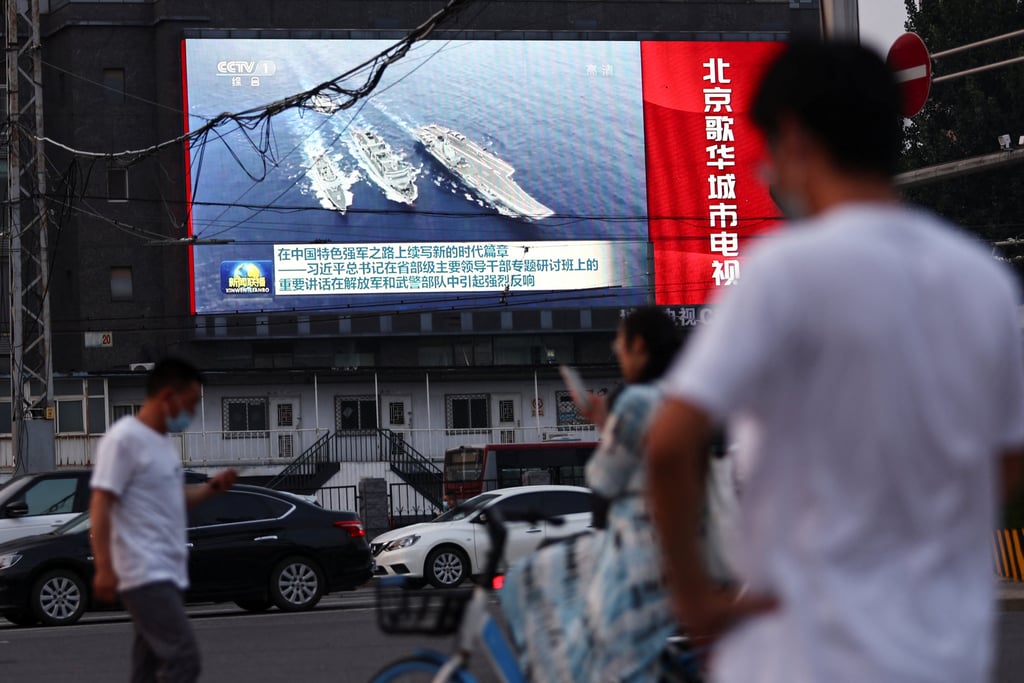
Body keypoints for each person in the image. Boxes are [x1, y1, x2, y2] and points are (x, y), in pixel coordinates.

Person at [645, 40, 1024, 683]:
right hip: (942, 656)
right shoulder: (980, 280)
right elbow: (1009, 456)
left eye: (766, 151)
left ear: (794, 136)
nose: (768, 175)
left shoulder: (783, 273)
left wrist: (694, 598)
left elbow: (669, 446)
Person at [499, 307, 682, 683]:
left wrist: (607, 424)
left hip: (634, 548)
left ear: (640, 346)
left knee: (523, 582)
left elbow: (603, 477)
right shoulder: (677, 397)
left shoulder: (635, 401)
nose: (616, 350)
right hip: (664, 542)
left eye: (620, 343)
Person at [90, 358, 238, 683]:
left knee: (147, 670)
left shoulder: (163, 444)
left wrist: (212, 488)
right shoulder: (124, 439)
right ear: (169, 396)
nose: (194, 412)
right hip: (144, 573)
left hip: (167, 572)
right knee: (184, 659)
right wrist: (103, 567)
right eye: (192, 402)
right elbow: (101, 503)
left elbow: (175, 497)